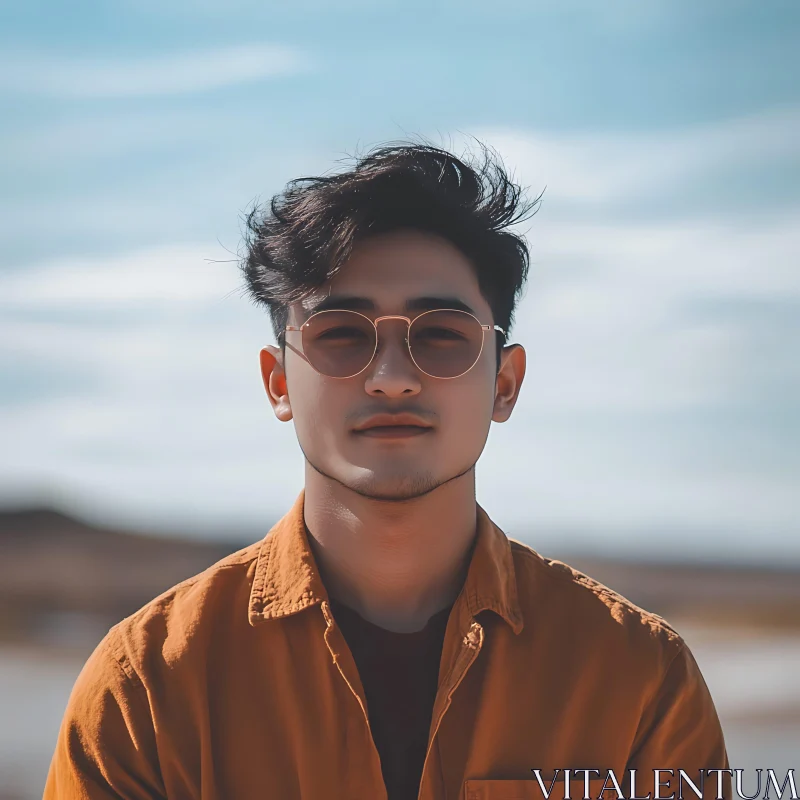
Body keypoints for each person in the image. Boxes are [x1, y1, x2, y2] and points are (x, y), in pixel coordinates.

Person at [44, 142, 731, 800]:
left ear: (505, 384)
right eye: (341, 334)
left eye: (441, 335)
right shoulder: (148, 685)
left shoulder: (637, 677)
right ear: (279, 382)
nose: (393, 379)